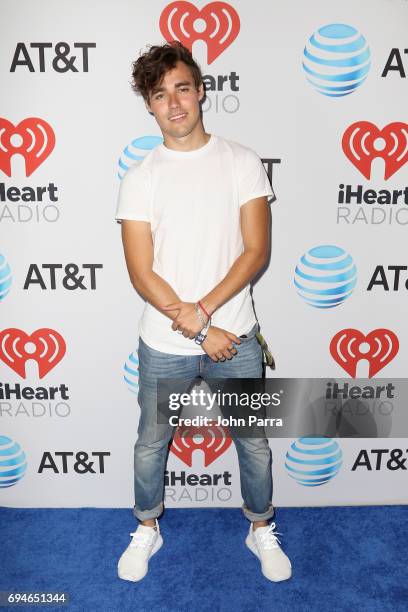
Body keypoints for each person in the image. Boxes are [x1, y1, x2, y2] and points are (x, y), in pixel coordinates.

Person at [115, 41, 292, 583]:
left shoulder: (241, 161)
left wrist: (210, 320)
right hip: (165, 344)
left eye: (182, 89)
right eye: (160, 94)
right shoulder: (140, 176)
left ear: (200, 92)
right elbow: (142, 273)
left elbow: (256, 251)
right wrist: (198, 328)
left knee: (254, 444)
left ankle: (260, 526)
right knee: (151, 443)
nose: (174, 104)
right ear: (149, 104)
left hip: (234, 339)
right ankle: (147, 527)